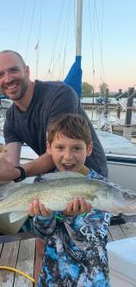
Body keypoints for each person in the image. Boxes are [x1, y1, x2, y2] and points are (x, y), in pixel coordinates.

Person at [0, 50, 108, 282]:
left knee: (84, 248)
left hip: (85, 176)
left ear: (27, 71)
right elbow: (11, 165)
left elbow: (58, 151)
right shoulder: (12, 119)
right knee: (43, 243)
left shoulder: (59, 95)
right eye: (0, 74)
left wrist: (17, 172)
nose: (8, 78)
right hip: (53, 180)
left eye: (13, 70)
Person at [29, 113, 110, 286]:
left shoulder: (100, 187)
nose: (67, 156)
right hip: (53, 275)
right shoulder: (42, 183)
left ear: (88, 149)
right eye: (60, 148)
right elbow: (42, 233)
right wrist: (44, 217)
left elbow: (92, 241)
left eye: (76, 148)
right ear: (48, 147)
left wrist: (73, 218)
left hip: (90, 278)